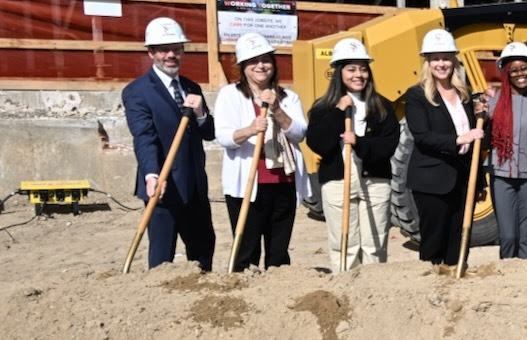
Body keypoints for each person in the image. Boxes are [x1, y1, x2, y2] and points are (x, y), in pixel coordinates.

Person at [122, 16, 216, 270]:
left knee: (203, 249)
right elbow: (144, 137)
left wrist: (201, 114)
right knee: (163, 255)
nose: (171, 55)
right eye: (164, 50)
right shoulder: (137, 92)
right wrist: (152, 174)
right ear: (151, 52)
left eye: (176, 49)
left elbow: (209, 133)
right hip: (163, 186)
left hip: (194, 186)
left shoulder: (191, 87)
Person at [214, 33, 309, 271]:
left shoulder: (289, 97)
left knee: (278, 248)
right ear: (243, 67)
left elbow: (299, 133)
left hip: (283, 180)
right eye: (253, 61)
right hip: (247, 184)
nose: (261, 66)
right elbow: (224, 136)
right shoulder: (230, 95)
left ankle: (276, 289)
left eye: (266, 60)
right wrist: (250, 129)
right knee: (247, 248)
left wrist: (276, 110)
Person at [305, 36, 399, 271]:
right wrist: (338, 112)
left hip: (374, 180)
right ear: (339, 72)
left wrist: (359, 142)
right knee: (344, 244)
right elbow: (318, 144)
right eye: (351, 69)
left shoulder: (382, 106)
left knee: (374, 244)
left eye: (363, 69)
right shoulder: (323, 107)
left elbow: (388, 145)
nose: (358, 75)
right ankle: (345, 289)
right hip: (338, 180)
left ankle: (372, 292)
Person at [404, 28, 485, 266]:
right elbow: (422, 136)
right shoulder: (417, 95)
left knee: (458, 239)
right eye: (436, 58)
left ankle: (455, 284)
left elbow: (477, 143)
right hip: (431, 180)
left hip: (461, 179)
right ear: (427, 62)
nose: (441, 63)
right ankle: (431, 283)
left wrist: (479, 181)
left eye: (446, 58)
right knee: (434, 240)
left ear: (454, 61)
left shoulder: (465, 94)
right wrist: (459, 139)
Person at [485, 41, 527, 260]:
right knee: (508, 235)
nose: (520, 74)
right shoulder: (492, 103)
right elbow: (485, 139)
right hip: (501, 174)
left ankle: (526, 276)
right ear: (505, 72)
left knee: (526, 235)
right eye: (513, 69)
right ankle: (506, 274)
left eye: (524, 68)